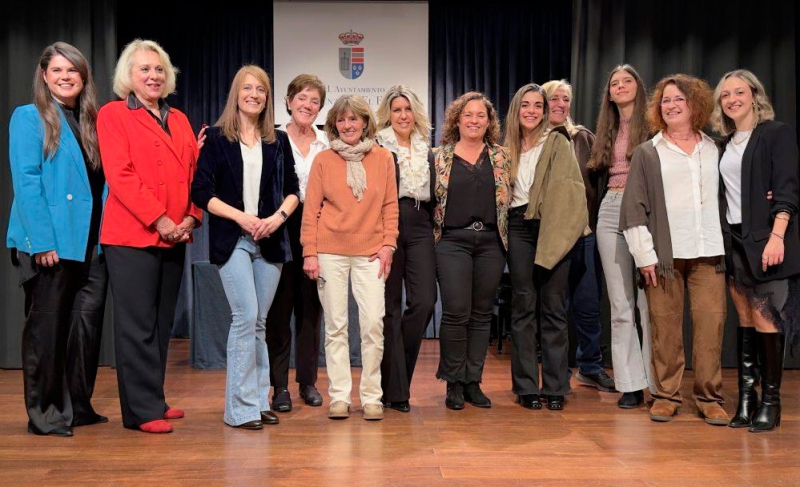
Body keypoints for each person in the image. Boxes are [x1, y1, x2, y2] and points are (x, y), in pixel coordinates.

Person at [97, 39, 203, 434]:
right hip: (132, 235)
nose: (153, 76)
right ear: (129, 75)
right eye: (144, 69)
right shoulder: (112, 115)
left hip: (176, 234)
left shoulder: (179, 118)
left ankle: (153, 398)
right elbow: (120, 175)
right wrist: (159, 219)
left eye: (159, 70)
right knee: (136, 325)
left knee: (160, 323)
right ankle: (141, 411)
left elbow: (194, 173)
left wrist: (191, 217)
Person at [7, 42, 107, 437]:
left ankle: (77, 407)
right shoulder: (28, 117)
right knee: (47, 331)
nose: (66, 77)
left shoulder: (90, 122)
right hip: (50, 243)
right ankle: (45, 413)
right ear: (44, 76)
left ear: (83, 77)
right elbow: (27, 182)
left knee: (83, 331)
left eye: (73, 71)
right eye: (58, 70)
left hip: (90, 243)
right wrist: (42, 241)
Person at [192, 65, 299, 430]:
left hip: (270, 242)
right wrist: (242, 217)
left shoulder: (278, 141)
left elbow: (293, 191)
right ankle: (238, 409)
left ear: (268, 99)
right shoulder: (218, 137)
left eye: (262, 90)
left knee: (259, 322)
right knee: (245, 317)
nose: (254, 94)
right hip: (233, 240)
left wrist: (277, 218)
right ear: (236, 93)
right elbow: (201, 192)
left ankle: (256, 400)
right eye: (248, 88)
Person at [620, 74, 727, 425]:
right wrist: (644, 255)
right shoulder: (649, 152)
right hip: (663, 258)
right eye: (665, 100)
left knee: (710, 326)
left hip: (709, 251)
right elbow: (633, 208)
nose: (671, 105)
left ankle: (709, 397)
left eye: (678, 99)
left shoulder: (714, 149)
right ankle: (666, 395)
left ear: (695, 104)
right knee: (665, 328)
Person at [712, 69, 800, 432]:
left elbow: (787, 188)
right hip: (733, 243)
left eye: (739, 92)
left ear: (754, 95)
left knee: (767, 319)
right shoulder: (723, 144)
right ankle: (746, 400)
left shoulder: (775, 134)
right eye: (725, 95)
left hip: (766, 242)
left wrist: (777, 236)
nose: (732, 99)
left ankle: (771, 402)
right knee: (745, 320)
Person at [301, 94, 399, 421]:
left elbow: (389, 206)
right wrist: (310, 252)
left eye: (353, 119)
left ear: (365, 122)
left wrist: (388, 244)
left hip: (371, 251)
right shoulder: (324, 160)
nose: (347, 125)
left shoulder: (384, 158)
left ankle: (372, 396)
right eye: (341, 120)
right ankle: (340, 396)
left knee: (372, 324)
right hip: (329, 251)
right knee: (336, 326)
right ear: (334, 125)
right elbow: (311, 209)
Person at [503, 83, 588, 411]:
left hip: (552, 227)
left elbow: (571, 193)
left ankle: (556, 385)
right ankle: (525, 386)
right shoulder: (505, 147)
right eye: (526, 105)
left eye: (538, 105)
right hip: (518, 226)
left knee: (553, 308)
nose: (532, 111)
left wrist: (560, 231)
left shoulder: (556, 141)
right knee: (524, 306)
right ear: (517, 109)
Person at [433, 92, 510, 410]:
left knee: (481, 315)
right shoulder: (439, 156)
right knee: (455, 312)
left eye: (481, 115)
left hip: (491, 244)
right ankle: (453, 382)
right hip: (452, 242)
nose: (474, 120)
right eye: (468, 114)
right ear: (457, 119)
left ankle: (472, 381)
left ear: (489, 121)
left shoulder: (502, 157)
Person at [542, 79, 615, 394]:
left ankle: (590, 366)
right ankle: (552, 373)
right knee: (552, 306)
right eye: (554, 98)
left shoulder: (583, 138)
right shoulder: (532, 139)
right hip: (546, 237)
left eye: (565, 99)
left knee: (587, 304)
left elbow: (603, 184)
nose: (560, 104)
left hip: (584, 234)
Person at [588, 65, 655, 409]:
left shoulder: (655, 123)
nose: (621, 86)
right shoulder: (606, 129)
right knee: (620, 303)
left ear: (638, 87)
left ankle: (658, 385)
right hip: (611, 207)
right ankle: (629, 383)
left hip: (645, 209)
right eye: (614, 83)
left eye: (627, 80)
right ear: (609, 94)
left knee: (650, 302)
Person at [265, 74, 328, 412]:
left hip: (317, 229)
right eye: (301, 98)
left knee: (310, 312)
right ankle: (279, 387)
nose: (307, 105)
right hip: (280, 227)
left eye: (314, 100)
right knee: (278, 311)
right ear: (288, 102)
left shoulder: (327, 142)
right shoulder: (271, 138)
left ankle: (307, 383)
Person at [375, 85, 436, 413]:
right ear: (388, 113)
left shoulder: (426, 148)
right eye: (397, 110)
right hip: (387, 222)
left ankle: (395, 378)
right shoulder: (377, 146)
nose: (403, 115)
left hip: (421, 222)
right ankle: (396, 392)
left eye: (408, 109)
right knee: (389, 309)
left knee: (425, 301)